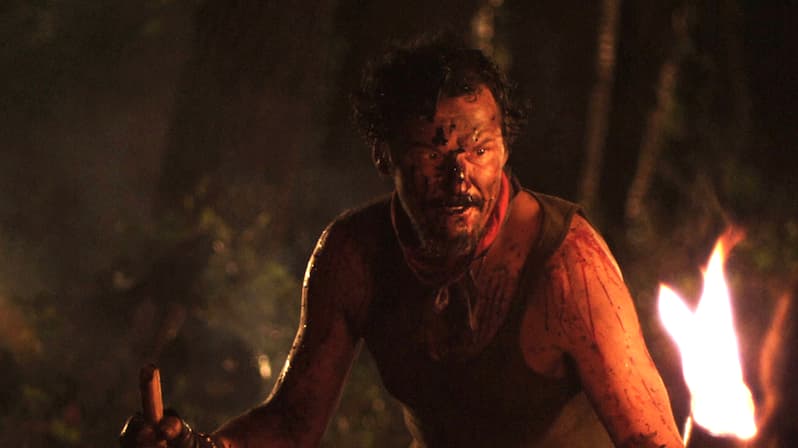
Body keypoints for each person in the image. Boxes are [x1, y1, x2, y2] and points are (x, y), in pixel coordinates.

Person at [121, 36, 685, 448]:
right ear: (384, 155)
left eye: (478, 149)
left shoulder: (570, 268)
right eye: (433, 153)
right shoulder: (354, 257)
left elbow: (652, 441)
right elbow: (292, 425)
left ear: (505, 150)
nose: (459, 176)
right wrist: (202, 447)